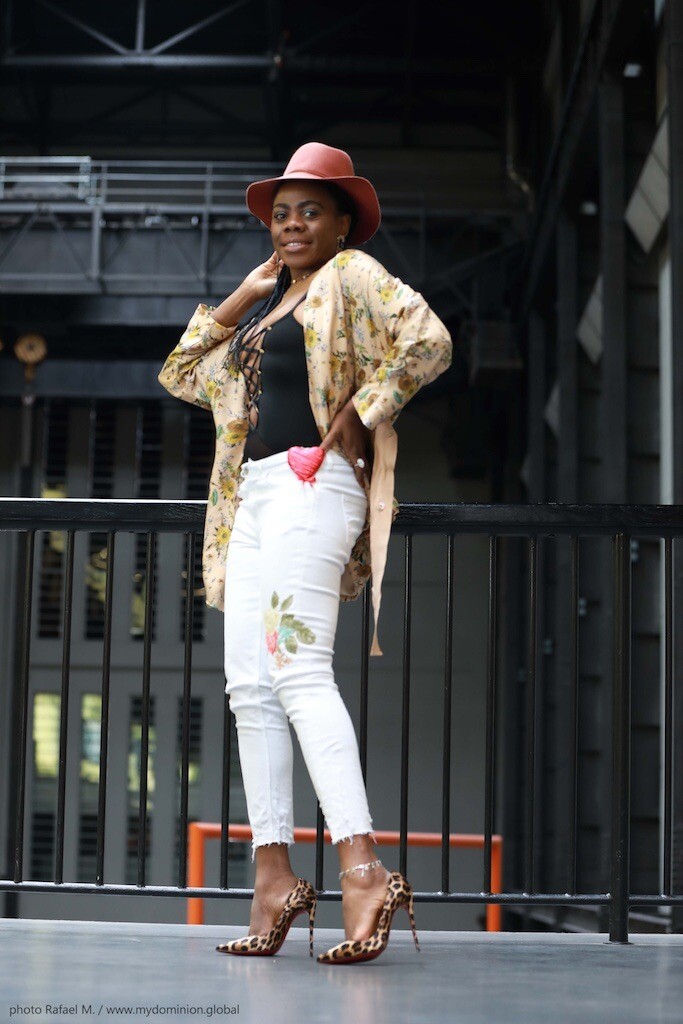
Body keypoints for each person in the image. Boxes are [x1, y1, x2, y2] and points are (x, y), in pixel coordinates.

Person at [158, 142, 452, 965]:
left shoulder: (351, 277)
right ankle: (274, 875)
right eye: (280, 212)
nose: (291, 224)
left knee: (296, 669)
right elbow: (181, 376)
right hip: (248, 501)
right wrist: (238, 296)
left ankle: (362, 867)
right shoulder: (261, 311)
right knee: (249, 686)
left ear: (341, 222)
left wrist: (366, 406)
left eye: (308, 211)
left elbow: (428, 339)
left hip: (310, 486)